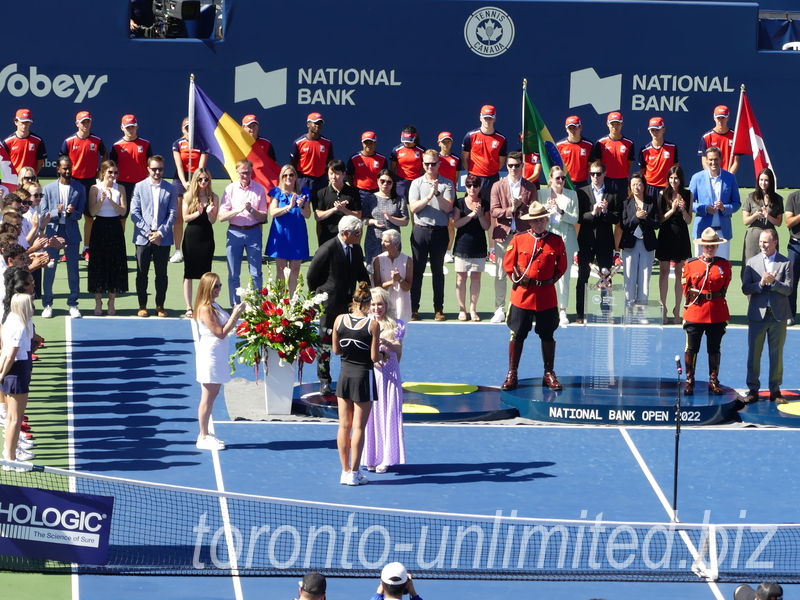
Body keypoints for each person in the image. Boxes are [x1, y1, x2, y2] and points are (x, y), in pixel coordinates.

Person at [501, 201, 567, 392]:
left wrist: (549, 281)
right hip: (523, 295)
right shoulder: (519, 239)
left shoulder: (556, 241)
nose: (539, 223)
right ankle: (512, 373)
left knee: (547, 334)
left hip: (546, 295)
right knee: (517, 333)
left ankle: (549, 373)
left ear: (546, 220)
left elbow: (561, 266)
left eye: (542, 220)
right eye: (535, 221)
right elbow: (509, 265)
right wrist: (519, 279)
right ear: (530, 222)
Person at [307, 215, 369, 396]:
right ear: (345, 233)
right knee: (325, 343)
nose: (359, 236)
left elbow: (361, 273)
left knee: (350, 341)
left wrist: (367, 290)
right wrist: (321, 296)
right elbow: (312, 276)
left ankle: (348, 377)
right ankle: (324, 381)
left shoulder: (356, 249)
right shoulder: (327, 249)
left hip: (349, 305)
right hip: (329, 305)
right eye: (356, 233)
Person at [332, 281, 381, 486]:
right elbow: (374, 357)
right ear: (369, 303)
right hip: (364, 378)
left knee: (344, 425)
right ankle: (354, 472)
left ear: (353, 300)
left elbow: (336, 351)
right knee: (359, 427)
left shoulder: (339, 320)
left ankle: (344, 472)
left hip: (344, 377)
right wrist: (385, 353)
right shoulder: (373, 325)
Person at [191, 273, 245, 450]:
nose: (219, 289)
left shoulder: (214, 305)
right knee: (207, 397)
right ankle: (203, 435)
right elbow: (220, 332)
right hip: (210, 356)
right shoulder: (205, 308)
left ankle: (206, 433)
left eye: (220, 285)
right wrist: (235, 316)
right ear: (207, 287)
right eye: (216, 286)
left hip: (218, 354)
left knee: (213, 395)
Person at [742, 229, 791, 404]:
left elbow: (788, 289)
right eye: (761, 242)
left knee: (776, 354)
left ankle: (775, 390)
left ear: (775, 242)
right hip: (757, 315)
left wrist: (774, 283)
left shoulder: (785, 262)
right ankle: (753, 389)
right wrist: (761, 284)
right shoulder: (752, 262)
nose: (762, 245)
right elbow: (746, 288)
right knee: (754, 354)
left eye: (766, 242)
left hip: (778, 316)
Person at [681, 228, 731, 396]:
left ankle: (713, 380)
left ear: (717, 247)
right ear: (702, 246)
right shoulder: (691, 264)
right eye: (707, 246)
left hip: (716, 312)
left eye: (713, 246)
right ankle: (689, 380)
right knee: (692, 348)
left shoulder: (724, 265)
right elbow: (685, 288)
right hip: (696, 311)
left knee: (714, 348)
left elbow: (724, 287)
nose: (710, 248)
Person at [489, 151, 537, 324]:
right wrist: (511, 209)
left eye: (517, 165)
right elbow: (494, 211)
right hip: (504, 237)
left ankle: (524, 307)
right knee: (501, 273)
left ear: (522, 166)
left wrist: (521, 206)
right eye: (510, 165)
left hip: (524, 236)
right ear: (506, 166)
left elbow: (534, 210)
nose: (513, 168)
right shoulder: (497, 186)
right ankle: (499, 309)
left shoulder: (530, 187)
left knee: (525, 273)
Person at [362, 286, 406, 473]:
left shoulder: (397, 324)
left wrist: (385, 343)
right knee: (370, 417)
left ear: (386, 305)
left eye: (380, 304)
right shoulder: (364, 323)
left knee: (388, 416)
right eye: (373, 304)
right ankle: (371, 457)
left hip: (390, 378)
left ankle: (386, 459)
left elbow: (398, 350)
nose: (376, 308)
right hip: (371, 376)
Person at [409, 149, 454, 321]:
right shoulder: (416, 183)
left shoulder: (447, 184)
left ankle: (438, 309)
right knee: (418, 271)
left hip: (439, 232)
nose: (430, 166)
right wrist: (428, 197)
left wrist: (437, 193)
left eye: (433, 163)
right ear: (423, 164)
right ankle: (414, 308)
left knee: (437, 271)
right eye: (427, 163)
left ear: (439, 164)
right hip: (420, 231)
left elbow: (448, 208)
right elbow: (413, 208)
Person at [130, 155, 178, 317]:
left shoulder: (170, 188)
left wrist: (160, 233)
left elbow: (173, 214)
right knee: (142, 273)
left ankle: (160, 305)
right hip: (143, 238)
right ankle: (142, 305)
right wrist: (148, 232)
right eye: (154, 169)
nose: (157, 172)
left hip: (162, 239)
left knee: (161, 274)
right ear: (148, 169)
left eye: (160, 169)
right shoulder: (139, 187)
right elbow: (135, 213)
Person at [575, 161, 620, 323]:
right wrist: (593, 212)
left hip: (604, 242)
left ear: (604, 174)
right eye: (592, 174)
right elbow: (579, 217)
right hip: (585, 242)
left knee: (606, 278)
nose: (595, 177)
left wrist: (606, 212)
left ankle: (606, 313)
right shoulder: (581, 192)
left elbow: (616, 219)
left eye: (598, 174)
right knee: (583, 277)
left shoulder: (613, 193)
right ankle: (580, 313)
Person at [219, 159, 268, 307]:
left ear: (252, 171)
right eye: (242, 173)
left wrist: (251, 210)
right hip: (235, 233)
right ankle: (236, 304)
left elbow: (264, 216)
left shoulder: (259, 189)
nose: (245, 175)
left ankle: (256, 304)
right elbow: (221, 216)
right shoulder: (230, 190)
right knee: (234, 273)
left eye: (247, 172)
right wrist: (238, 210)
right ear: (237, 173)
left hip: (253, 232)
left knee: (256, 272)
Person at [41, 156, 85, 319]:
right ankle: (47, 304)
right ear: (58, 169)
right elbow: (44, 212)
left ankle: (73, 304)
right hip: (52, 233)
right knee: (50, 269)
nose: (67, 171)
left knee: (73, 271)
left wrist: (73, 213)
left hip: (71, 234)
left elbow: (80, 215)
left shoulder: (79, 188)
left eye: (69, 168)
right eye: (64, 168)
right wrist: (56, 211)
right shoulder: (48, 189)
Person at [61, 110, 107, 261]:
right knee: (69, 216)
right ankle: (68, 249)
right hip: (73, 183)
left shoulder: (97, 140)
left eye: (88, 121)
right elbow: (62, 159)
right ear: (77, 124)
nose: (86, 124)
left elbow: (104, 153)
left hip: (90, 183)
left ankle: (87, 248)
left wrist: (100, 169)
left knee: (89, 216)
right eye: (83, 122)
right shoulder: (69, 141)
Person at [539, 165, 579, 326]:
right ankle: (545, 309)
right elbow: (535, 215)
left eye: (563, 178)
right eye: (558, 178)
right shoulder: (541, 194)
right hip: (547, 239)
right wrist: (546, 209)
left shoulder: (572, 195)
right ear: (550, 180)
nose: (561, 181)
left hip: (565, 240)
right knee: (544, 275)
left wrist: (561, 212)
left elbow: (575, 218)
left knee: (564, 277)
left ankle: (562, 310)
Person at [87, 160, 128, 316]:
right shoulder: (94, 189)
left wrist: (110, 200)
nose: (113, 175)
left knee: (114, 264)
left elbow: (123, 212)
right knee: (98, 264)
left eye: (115, 172)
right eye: (110, 172)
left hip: (115, 228)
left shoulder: (121, 188)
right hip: (99, 228)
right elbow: (92, 212)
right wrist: (102, 199)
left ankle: (112, 301)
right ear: (103, 172)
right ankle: (98, 301)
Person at [264, 164, 311, 297]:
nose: (288, 178)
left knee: (295, 269)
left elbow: (307, 215)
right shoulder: (276, 192)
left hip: (297, 234)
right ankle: (280, 303)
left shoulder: (304, 191)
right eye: (285, 175)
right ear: (281, 177)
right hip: (281, 235)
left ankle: (292, 301)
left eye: (291, 175)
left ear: (296, 176)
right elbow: (273, 212)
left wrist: (301, 206)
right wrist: (289, 207)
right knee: (281, 270)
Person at [0, 293, 35, 471]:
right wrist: (1, 375)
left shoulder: (12, 319)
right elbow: (10, 356)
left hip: (16, 370)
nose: (34, 304)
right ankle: (10, 460)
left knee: (12, 418)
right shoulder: (20, 326)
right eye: (31, 302)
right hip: (16, 372)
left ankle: (10, 454)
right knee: (14, 418)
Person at [689, 146, 741, 259]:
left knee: (722, 267)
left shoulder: (730, 178)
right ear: (706, 160)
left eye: (716, 159)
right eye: (711, 159)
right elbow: (689, 202)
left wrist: (724, 208)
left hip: (722, 232)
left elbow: (737, 203)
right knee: (700, 267)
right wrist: (704, 208)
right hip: (702, 231)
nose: (713, 162)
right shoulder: (697, 178)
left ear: (721, 159)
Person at [594, 111, 634, 257]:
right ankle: (601, 250)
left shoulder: (629, 143)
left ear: (622, 124)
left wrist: (620, 175)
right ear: (607, 125)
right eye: (612, 124)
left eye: (617, 124)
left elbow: (628, 166)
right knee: (602, 217)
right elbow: (597, 165)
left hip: (622, 184)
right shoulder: (601, 143)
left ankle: (617, 253)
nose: (615, 127)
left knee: (619, 220)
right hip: (606, 183)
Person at [656, 166, 693, 324]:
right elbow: (660, 219)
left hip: (681, 236)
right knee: (664, 272)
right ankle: (663, 308)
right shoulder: (662, 194)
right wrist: (672, 210)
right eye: (671, 178)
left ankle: (677, 309)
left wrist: (683, 210)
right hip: (665, 234)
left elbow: (689, 220)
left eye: (676, 178)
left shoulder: (688, 194)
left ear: (681, 179)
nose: (673, 181)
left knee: (680, 273)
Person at [170, 117, 209, 264]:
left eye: (192, 128)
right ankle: (178, 251)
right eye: (187, 128)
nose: (189, 131)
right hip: (181, 181)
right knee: (179, 216)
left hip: (199, 179)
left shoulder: (203, 143)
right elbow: (179, 166)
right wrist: (185, 182)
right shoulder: (177, 144)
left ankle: (197, 249)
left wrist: (195, 183)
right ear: (182, 129)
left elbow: (201, 167)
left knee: (198, 216)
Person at [453, 174, 490, 321]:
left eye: (475, 186)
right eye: (469, 186)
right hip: (462, 245)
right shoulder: (460, 203)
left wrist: (480, 214)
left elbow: (487, 226)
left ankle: (473, 309)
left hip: (479, 245)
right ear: (465, 187)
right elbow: (456, 224)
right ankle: (462, 309)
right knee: (461, 278)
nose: (472, 189)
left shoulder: (484, 204)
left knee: (476, 277)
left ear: (479, 187)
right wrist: (471, 215)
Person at [620, 171, 660, 310]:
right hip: (630, 245)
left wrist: (645, 218)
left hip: (646, 244)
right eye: (633, 184)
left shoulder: (651, 202)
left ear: (644, 186)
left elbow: (656, 224)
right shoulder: (626, 203)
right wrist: (636, 217)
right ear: (630, 187)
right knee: (629, 277)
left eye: (639, 184)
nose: (636, 187)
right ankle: (629, 309)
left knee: (644, 278)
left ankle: (642, 310)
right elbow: (624, 224)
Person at [182, 167, 218, 316]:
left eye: (206, 179)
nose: (203, 182)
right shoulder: (188, 196)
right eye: (200, 179)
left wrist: (209, 213)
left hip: (206, 237)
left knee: (206, 273)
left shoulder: (213, 197)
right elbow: (184, 218)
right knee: (189, 273)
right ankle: (189, 306)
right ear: (195, 180)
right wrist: (198, 212)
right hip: (192, 236)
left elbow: (213, 220)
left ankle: (204, 304)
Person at [361, 170, 409, 270]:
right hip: (374, 240)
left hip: (392, 242)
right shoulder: (370, 198)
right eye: (382, 181)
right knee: (374, 270)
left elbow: (405, 221)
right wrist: (373, 222)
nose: (385, 184)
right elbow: (362, 220)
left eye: (389, 182)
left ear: (393, 183)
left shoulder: (400, 199)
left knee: (392, 270)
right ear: (378, 181)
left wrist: (391, 218)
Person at [109, 114, 152, 226]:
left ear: (137, 126)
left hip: (142, 184)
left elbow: (150, 164)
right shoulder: (117, 146)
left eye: (132, 127)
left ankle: (143, 243)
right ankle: (120, 243)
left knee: (143, 217)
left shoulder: (145, 144)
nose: (130, 130)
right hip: (123, 185)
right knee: (122, 217)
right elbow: (112, 167)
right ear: (122, 127)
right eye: (127, 127)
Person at [741, 167, 783, 279]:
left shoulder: (777, 199)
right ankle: (751, 293)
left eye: (766, 180)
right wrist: (755, 215)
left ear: (771, 182)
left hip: (770, 236)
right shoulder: (750, 197)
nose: (763, 183)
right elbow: (745, 221)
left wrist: (768, 216)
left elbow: (779, 222)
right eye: (761, 180)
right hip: (753, 236)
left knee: (770, 265)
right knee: (750, 265)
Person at [461, 104, 507, 201]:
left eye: (490, 118)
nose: (487, 121)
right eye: (485, 118)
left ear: (494, 119)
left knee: (492, 207)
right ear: (480, 118)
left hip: (492, 178)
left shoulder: (501, 139)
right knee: (472, 205)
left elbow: (501, 161)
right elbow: (464, 158)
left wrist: (490, 171)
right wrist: (471, 172)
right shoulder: (470, 136)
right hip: (474, 177)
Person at [313, 159, 361, 246]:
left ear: (343, 174)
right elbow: (317, 216)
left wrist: (344, 210)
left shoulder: (353, 192)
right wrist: (334, 209)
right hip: (327, 237)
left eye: (337, 173)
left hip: (348, 237)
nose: (333, 177)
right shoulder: (321, 193)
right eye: (331, 173)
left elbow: (358, 215)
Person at [372, 229, 412, 324]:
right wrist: (392, 281)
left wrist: (400, 280)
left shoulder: (407, 260)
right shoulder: (377, 260)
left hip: (401, 305)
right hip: (382, 307)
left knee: (398, 337)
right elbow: (377, 287)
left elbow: (408, 287)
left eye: (386, 241)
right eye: (382, 240)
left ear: (396, 243)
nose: (382, 243)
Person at [290, 112, 333, 197]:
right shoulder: (298, 142)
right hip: (303, 179)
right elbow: (293, 163)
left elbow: (329, 162)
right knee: (303, 207)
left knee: (320, 207)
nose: (318, 125)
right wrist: (295, 180)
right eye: (315, 123)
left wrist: (327, 177)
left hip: (321, 179)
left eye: (320, 123)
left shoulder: (327, 142)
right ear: (308, 124)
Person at [637, 116, 679, 199]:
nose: (655, 132)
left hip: (667, 186)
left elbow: (676, 168)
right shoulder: (644, 150)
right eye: (652, 130)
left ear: (663, 130)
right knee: (650, 211)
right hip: (650, 187)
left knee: (667, 211)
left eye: (657, 129)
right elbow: (642, 170)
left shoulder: (672, 147)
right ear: (649, 131)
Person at [241, 114, 280, 192]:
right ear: (243, 128)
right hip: (244, 182)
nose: (252, 129)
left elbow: (273, 165)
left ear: (258, 127)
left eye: (254, 126)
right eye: (249, 126)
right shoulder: (238, 144)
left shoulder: (266, 143)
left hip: (263, 184)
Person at [346, 131, 387, 205]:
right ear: (362, 143)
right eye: (366, 143)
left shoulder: (382, 159)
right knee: (360, 214)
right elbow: (349, 175)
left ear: (375, 143)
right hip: (359, 192)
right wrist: (354, 188)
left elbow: (385, 177)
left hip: (377, 191)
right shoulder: (354, 158)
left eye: (371, 142)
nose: (368, 145)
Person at [3, 109, 46, 174]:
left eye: (27, 122)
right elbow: (3, 162)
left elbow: (40, 161)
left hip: (30, 179)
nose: (24, 125)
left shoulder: (37, 141)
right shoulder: (8, 142)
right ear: (16, 122)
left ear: (30, 122)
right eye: (22, 122)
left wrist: (32, 174)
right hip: (14, 179)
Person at [698, 105, 739, 174]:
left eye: (723, 118)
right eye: (718, 118)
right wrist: (713, 175)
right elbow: (704, 161)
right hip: (711, 176)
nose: (720, 121)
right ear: (714, 118)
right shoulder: (706, 137)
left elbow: (736, 161)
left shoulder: (735, 136)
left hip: (728, 175)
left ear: (728, 118)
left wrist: (729, 176)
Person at [556, 116, 595, 189]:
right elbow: (557, 166)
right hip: (565, 182)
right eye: (570, 128)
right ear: (566, 129)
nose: (573, 131)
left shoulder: (589, 145)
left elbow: (591, 166)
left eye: (575, 128)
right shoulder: (559, 146)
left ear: (580, 128)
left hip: (583, 183)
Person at [389, 125, 425, 201]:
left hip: (417, 181)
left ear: (415, 137)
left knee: (416, 205)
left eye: (409, 140)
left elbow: (425, 169)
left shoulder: (422, 150)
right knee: (400, 205)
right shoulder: (396, 150)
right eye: (405, 140)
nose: (406, 143)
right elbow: (393, 169)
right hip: (401, 182)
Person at [784, 187, 800, 324]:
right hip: (795, 246)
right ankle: (789, 313)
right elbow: (788, 222)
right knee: (792, 281)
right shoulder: (793, 197)